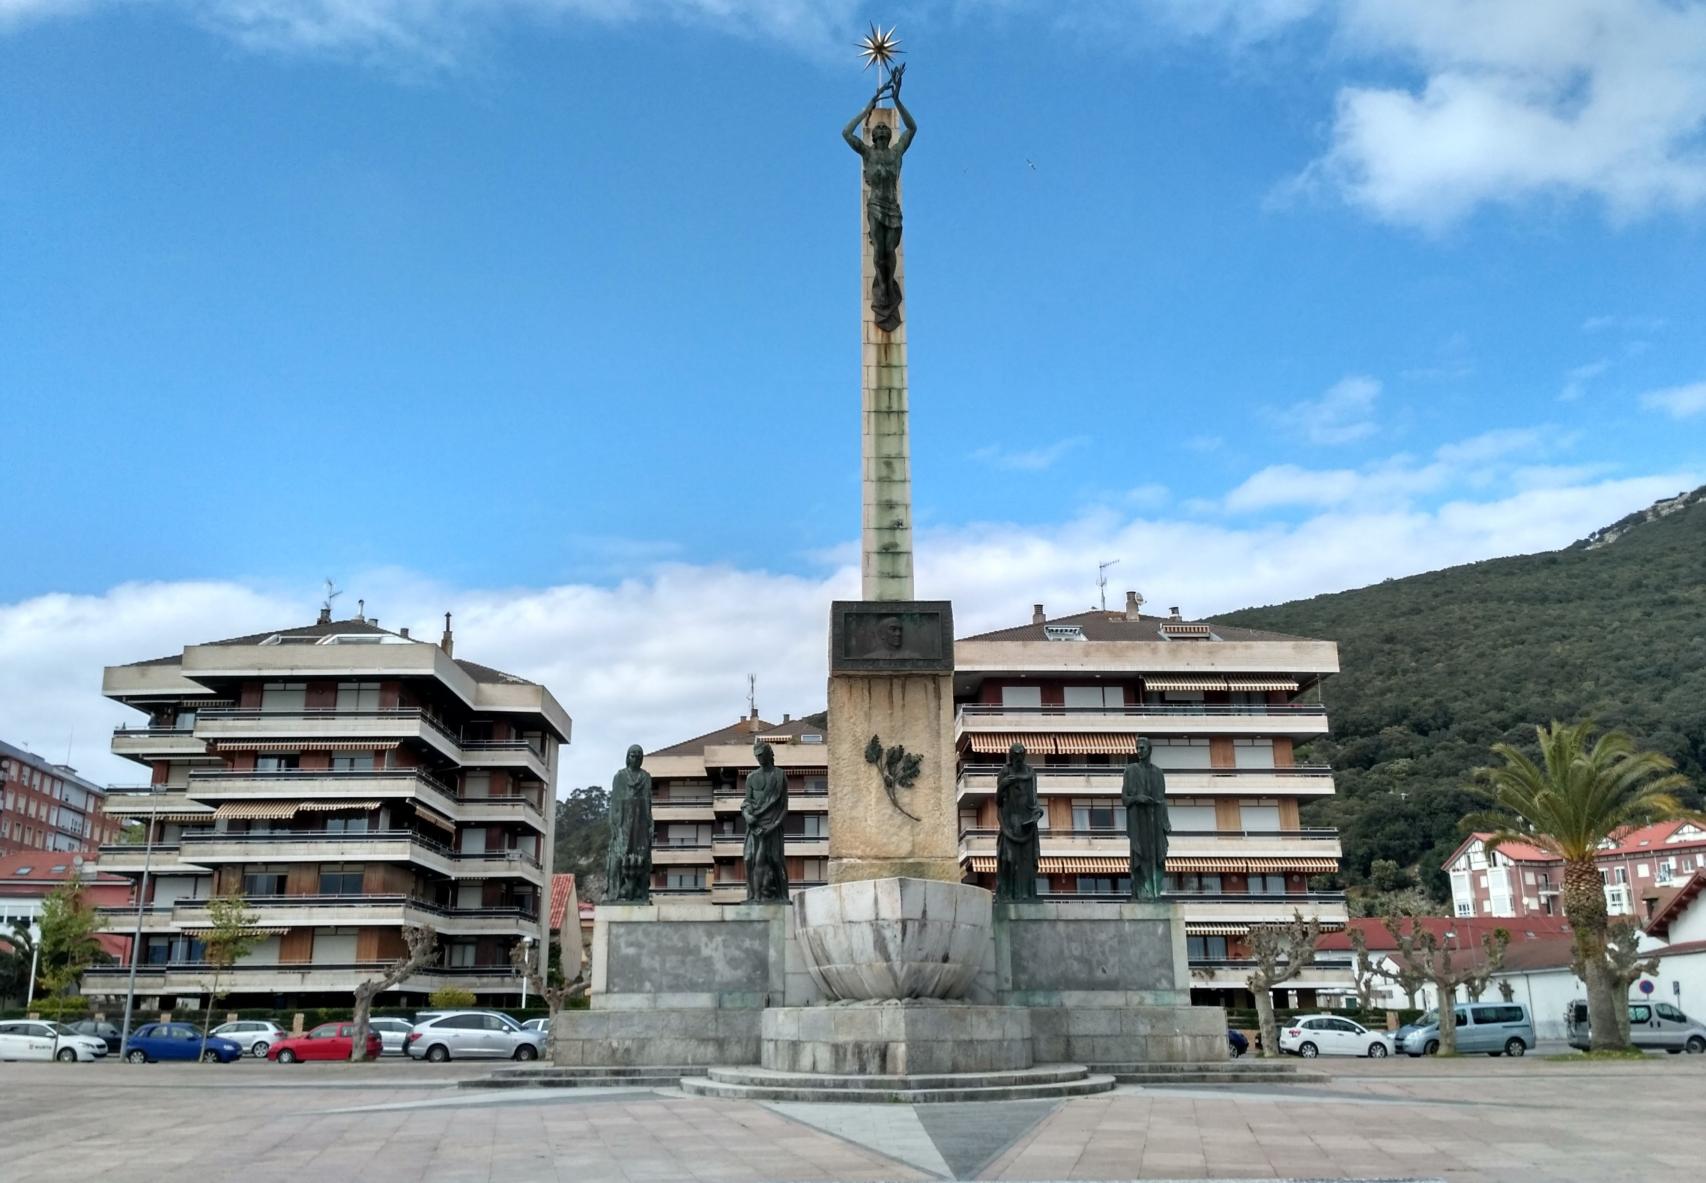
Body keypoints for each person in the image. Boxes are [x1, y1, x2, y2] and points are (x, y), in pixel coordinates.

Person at [842, 65, 917, 331]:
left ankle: (887, 288)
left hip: (893, 209)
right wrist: (869, 107)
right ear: (874, 136)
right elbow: (846, 133)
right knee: (879, 255)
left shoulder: (896, 153)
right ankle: (883, 290)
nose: (883, 129)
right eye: (879, 128)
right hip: (875, 207)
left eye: (886, 128)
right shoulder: (868, 153)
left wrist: (897, 100)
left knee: (889, 253)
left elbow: (912, 129)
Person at [1122, 737, 1170, 899]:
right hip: (1138, 820)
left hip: (1155, 820)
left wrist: (1165, 821)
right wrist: (1138, 798)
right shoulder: (1130, 771)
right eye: (1137, 748)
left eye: (1142, 748)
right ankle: (1143, 889)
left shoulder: (1158, 773)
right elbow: (1124, 799)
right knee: (1140, 854)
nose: (1139, 751)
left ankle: (1155, 891)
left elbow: (1162, 800)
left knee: (1157, 855)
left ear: (1149, 749)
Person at [995, 742, 1044, 901]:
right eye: (1015, 756)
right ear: (1011, 756)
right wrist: (1003, 785)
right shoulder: (1005, 772)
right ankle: (1007, 894)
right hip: (1009, 822)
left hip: (1027, 824)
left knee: (1026, 862)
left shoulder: (1030, 772)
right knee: (1008, 859)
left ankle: (1026, 895)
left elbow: (1034, 799)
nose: (1018, 758)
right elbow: (998, 802)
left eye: (1021, 755)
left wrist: (1037, 813)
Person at [605, 744, 653, 903]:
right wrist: (615, 826)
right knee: (619, 854)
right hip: (623, 820)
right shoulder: (620, 776)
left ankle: (640, 890)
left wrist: (649, 824)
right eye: (633, 755)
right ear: (628, 757)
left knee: (642, 855)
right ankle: (616, 890)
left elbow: (648, 803)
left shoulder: (646, 777)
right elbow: (614, 803)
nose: (636, 758)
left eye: (639, 755)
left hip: (640, 821)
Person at [742, 741, 790, 902]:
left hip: (773, 824)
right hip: (754, 824)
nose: (759, 758)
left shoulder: (779, 775)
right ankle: (752, 895)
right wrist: (747, 815)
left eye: (761, 754)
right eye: (756, 756)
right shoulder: (751, 777)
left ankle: (782, 895)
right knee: (748, 858)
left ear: (769, 754)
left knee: (775, 860)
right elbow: (747, 801)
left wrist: (774, 826)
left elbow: (784, 807)